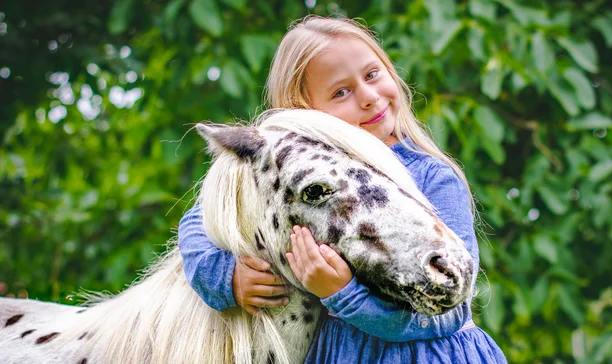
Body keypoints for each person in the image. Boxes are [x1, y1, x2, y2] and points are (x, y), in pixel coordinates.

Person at [178, 15, 507, 363]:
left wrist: (342, 294)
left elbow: (451, 306)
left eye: (372, 74)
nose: (369, 97)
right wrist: (226, 278)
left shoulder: (431, 177)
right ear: (304, 111)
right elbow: (198, 220)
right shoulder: (306, 178)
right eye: (341, 92)